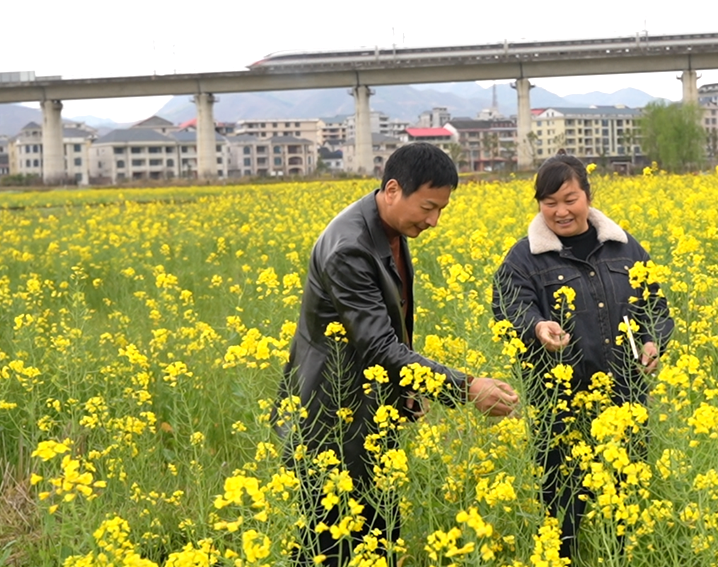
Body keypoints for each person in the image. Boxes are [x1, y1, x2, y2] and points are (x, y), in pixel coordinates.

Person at [275, 142, 518, 566]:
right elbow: (378, 345)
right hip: (332, 416)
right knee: (332, 542)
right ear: (392, 190)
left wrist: (406, 388)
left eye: (441, 209)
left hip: (369, 407)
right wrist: (465, 387)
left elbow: (388, 330)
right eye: (427, 207)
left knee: (379, 532)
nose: (434, 220)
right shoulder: (349, 248)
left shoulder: (388, 229)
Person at [492, 155, 674, 561]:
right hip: (562, 407)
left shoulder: (625, 248)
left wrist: (652, 342)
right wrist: (537, 327)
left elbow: (655, 307)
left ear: (588, 196)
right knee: (563, 513)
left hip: (625, 400)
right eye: (549, 202)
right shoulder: (523, 258)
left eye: (570, 199)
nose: (561, 211)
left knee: (624, 508)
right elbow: (508, 308)